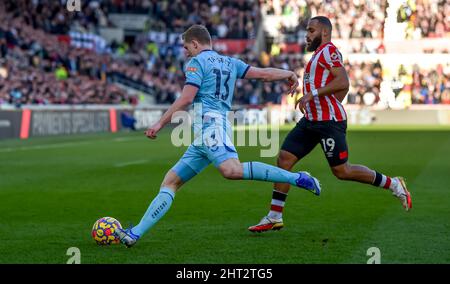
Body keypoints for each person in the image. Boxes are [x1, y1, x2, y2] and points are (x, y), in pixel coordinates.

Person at [114, 25, 321, 247]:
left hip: (211, 128)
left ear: (195, 43)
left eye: (186, 47)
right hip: (207, 132)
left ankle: (298, 178)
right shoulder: (230, 62)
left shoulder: (196, 63)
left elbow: (186, 99)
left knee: (231, 170)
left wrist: (160, 123)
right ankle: (134, 233)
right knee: (171, 181)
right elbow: (262, 74)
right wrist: (288, 74)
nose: (185, 52)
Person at [248, 16, 412, 233]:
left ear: (324, 32)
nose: (307, 34)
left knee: (342, 171)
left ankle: (393, 184)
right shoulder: (316, 56)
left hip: (329, 123)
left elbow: (343, 82)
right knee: (284, 159)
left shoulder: (329, 51)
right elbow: (337, 87)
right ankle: (274, 216)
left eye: (311, 30)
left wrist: (313, 96)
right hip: (311, 120)